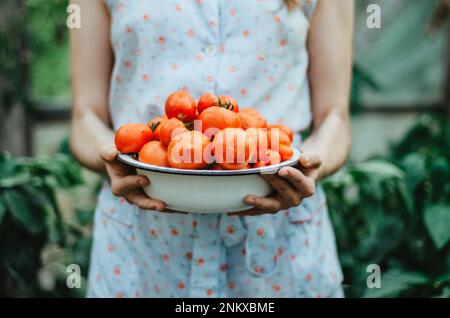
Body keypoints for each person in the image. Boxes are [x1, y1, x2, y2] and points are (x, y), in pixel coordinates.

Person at [70, 0, 353, 298]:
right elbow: (85, 115)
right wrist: (114, 161)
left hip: (279, 248)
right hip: (145, 251)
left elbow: (335, 116)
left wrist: (309, 165)